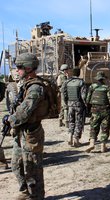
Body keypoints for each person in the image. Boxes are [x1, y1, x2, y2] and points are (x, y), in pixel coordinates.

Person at [4, 52, 46, 199]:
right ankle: (24, 191)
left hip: (31, 134)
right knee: (16, 165)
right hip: (21, 132)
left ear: (28, 68)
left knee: (33, 170)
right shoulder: (24, 84)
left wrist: (10, 119)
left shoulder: (35, 88)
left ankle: (36, 197)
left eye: (19, 67)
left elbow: (24, 112)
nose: (17, 70)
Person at [85, 72, 110, 153]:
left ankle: (91, 144)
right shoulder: (107, 88)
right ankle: (103, 146)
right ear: (103, 79)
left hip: (95, 110)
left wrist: (88, 109)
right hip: (105, 110)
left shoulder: (92, 87)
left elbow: (87, 100)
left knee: (93, 127)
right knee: (105, 128)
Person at [61, 67, 87, 147]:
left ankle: (69, 137)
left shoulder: (67, 82)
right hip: (79, 105)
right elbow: (84, 96)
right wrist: (86, 104)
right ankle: (76, 140)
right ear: (79, 73)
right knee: (78, 122)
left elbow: (63, 93)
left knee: (71, 122)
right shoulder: (81, 82)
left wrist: (66, 103)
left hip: (70, 105)